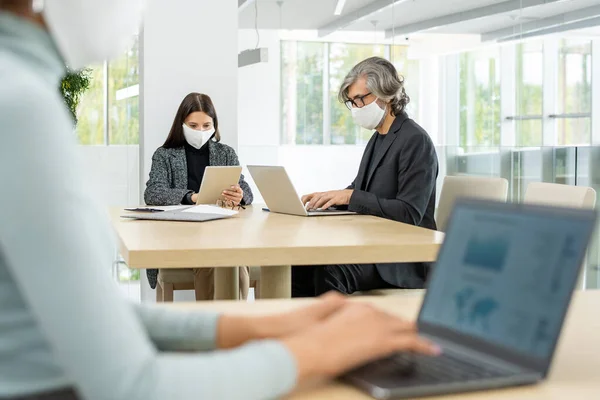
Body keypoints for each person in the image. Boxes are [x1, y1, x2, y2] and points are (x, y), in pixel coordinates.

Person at [0, 1, 441, 400]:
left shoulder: (22, 91)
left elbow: (99, 320)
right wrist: (315, 350)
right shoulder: (22, 106)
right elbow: (131, 384)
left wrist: (266, 325)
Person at [294, 57, 439, 297]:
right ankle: (304, 332)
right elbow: (360, 188)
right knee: (299, 267)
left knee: (329, 271)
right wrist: (330, 198)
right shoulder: (379, 137)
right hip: (375, 245)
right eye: (353, 102)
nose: (357, 107)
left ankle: (338, 334)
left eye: (361, 99)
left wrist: (350, 196)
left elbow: (409, 213)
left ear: (386, 93)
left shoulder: (415, 140)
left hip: (403, 257)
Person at [144, 92, 252, 300]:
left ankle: (235, 323)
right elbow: (153, 192)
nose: (200, 131)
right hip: (181, 238)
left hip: (222, 234)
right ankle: (213, 326)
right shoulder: (164, 154)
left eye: (206, 125)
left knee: (237, 259)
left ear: (214, 125)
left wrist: (240, 195)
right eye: (193, 126)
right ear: (181, 124)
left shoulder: (225, 153)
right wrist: (191, 197)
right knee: (211, 260)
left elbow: (246, 189)